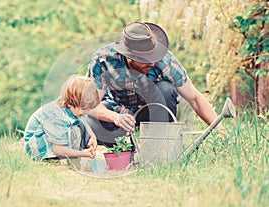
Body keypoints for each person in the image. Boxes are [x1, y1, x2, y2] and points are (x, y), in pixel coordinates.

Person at [86, 21, 224, 147]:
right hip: (119, 111)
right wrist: (115, 118)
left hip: (153, 111)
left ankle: (158, 146)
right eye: (145, 59)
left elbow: (195, 98)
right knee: (91, 123)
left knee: (166, 89)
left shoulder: (165, 61)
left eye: (153, 57)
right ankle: (124, 145)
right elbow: (90, 105)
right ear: (129, 56)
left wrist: (221, 131)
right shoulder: (104, 60)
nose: (151, 63)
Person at [24, 75, 100, 161]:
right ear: (69, 104)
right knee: (75, 131)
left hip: (57, 144)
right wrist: (83, 154)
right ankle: (61, 157)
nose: (86, 112)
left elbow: (83, 122)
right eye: (84, 109)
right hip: (38, 149)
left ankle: (70, 154)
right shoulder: (55, 116)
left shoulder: (74, 109)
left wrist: (92, 137)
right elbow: (58, 149)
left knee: (80, 126)